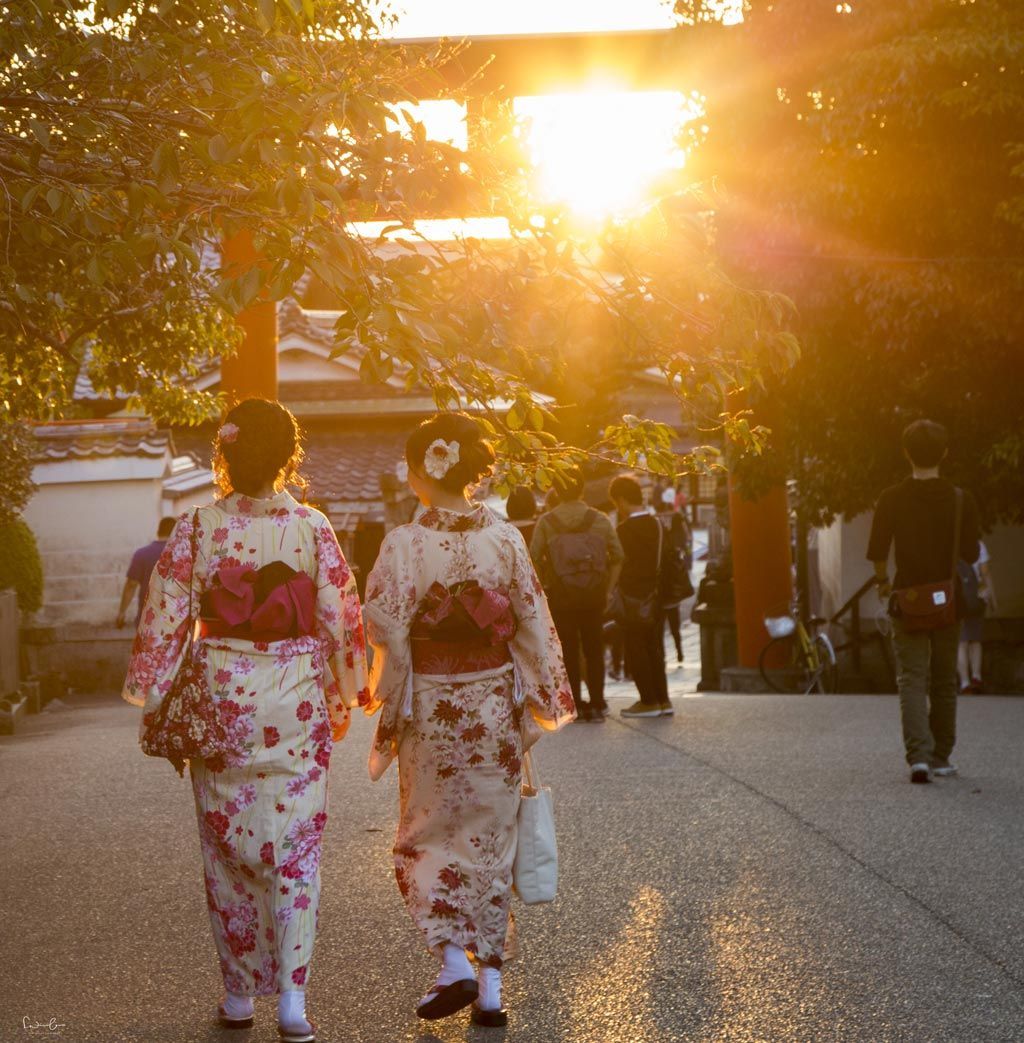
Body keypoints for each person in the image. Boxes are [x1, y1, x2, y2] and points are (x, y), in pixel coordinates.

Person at [122, 399, 368, 1042]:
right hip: (296, 698)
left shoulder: (200, 528)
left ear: (226, 454)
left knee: (227, 850)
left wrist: (151, 693)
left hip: (222, 696)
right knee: (298, 848)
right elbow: (340, 618)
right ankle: (292, 999)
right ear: (290, 455)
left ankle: (238, 994)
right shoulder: (313, 527)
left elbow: (165, 614)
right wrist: (348, 690)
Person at [362, 412, 574, 1027]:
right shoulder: (504, 538)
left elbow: (389, 633)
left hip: (432, 706)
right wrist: (544, 695)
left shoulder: (404, 543)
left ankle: (452, 958)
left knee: (427, 831)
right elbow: (532, 620)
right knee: (491, 836)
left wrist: (387, 700)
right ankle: (490, 991)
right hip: (490, 706)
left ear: (421, 472)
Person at [867, 419, 979, 784]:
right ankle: (942, 756)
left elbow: (878, 551)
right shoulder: (961, 499)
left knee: (912, 678)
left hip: (907, 599)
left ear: (905, 453)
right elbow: (971, 552)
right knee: (945, 680)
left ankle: (918, 758)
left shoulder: (891, 497)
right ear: (944, 453)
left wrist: (884, 584)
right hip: (950, 602)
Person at [531, 466, 623, 720]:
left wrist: (546, 583)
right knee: (595, 648)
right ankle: (597, 703)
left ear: (556, 491)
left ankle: (575, 705)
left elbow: (533, 557)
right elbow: (618, 556)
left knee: (568, 649)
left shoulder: (547, 522)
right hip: (594, 595)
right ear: (582, 488)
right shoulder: (600, 520)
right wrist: (607, 588)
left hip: (561, 596)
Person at [609, 475, 671, 718]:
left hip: (633, 596)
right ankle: (663, 699)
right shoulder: (657, 524)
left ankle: (648, 700)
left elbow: (619, 564)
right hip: (657, 595)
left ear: (622, 500)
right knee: (655, 647)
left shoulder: (623, 531)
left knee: (636, 648)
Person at [115, 517, 176, 628]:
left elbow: (131, 585)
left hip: (147, 619)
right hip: (175, 621)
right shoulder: (183, 555)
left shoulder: (141, 554)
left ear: (158, 532)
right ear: (175, 532)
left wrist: (122, 613)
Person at [958, 540, 996, 694]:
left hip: (958, 597)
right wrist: (993, 598)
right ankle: (976, 676)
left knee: (961, 642)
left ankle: (965, 682)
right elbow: (985, 573)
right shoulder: (978, 545)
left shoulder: (952, 544)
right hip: (977, 597)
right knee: (975, 639)